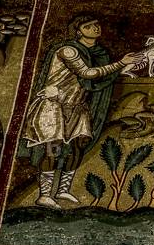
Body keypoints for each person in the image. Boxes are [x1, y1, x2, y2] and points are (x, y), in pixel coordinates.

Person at [21, 14, 145, 209]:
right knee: (53, 148)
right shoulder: (68, 50)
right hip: (54, 105)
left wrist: (121, 68)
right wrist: (120, 64)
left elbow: (100, 80)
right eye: (88, 26)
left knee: (77, 147)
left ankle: (63, 190)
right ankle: (44, 195)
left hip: (78, 105)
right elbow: (86, 74)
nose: (95, 28)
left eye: (96, 24)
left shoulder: (98, 53)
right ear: (79, 31)